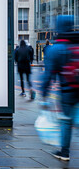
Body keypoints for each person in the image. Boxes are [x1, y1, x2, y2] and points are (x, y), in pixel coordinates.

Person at [41, 15, 79, 161]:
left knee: (66, 121)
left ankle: (64, 152)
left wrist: (44, 94)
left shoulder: (55, 49)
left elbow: (49, 75)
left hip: (67, 92)